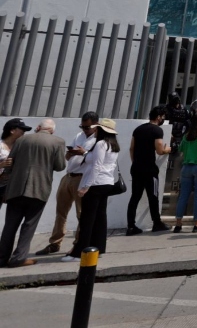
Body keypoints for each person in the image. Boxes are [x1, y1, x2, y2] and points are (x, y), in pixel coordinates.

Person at [0, 118, 65, 267]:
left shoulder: (21, 140)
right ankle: (19, 258)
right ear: (52, 130)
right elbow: (60, 166)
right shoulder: (57, 142)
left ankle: (2, 258)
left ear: (38, 127)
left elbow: (9, 164)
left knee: (10, 225)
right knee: (29, 225)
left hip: (16, 188)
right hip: (39, 189)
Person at [62, 118, 122, 263]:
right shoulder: (113, 145)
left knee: (87, 219)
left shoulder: (101, 144)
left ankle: (79, 252)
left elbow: (97, 166)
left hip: (96, 183)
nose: (94, 130)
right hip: (106, 182)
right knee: (100, 217)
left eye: (97, 128)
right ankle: (98, 247)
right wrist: (85, 154)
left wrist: (85, 186)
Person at [38, 112, 98, 256]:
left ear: (96, 125)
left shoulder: (99, 140)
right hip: (69, 175)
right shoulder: (79, 136)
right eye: (82, 126)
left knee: (81, 213)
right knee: (61, 211)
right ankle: (55, 242)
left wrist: (83, 153)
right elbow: (67, 156)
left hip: (82, 177)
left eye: (87, 127)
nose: (84, 129)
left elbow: (97, 161)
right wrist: (70, 153)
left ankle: (78, 244)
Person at [126, 106, 172, 235]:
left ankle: (131, 225)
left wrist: (135, 162)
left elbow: (131, 148)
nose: (163, 119)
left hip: (136, 168)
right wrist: (167, 150)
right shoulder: (157, 130)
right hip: (150, 169)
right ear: (158, 117)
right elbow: (159, 150)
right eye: (163, 117)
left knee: (135, 197)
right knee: (153, 196)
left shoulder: (138, 129)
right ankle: (156, 223)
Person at [0, 118, 31, 205]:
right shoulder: (1, 145)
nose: (24, 132)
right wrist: (2, 165)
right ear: (12, 131)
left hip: (10, 187)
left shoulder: (19, 147)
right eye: (22, 129)